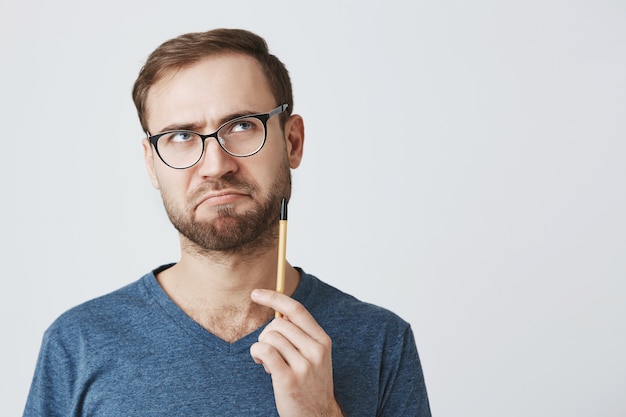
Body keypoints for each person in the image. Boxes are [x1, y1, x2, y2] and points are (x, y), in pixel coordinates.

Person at [23, 28, 431, 416]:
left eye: (241, 126)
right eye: (181, 135)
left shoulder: (381, 341)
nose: (215, 166)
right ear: (151, 164)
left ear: (292, 141)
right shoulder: (78, 342)